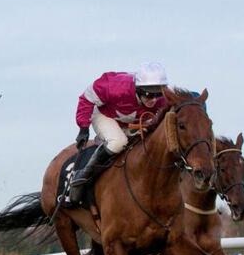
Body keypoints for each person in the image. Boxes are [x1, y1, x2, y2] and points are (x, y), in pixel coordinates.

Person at [68, 62, 169, 203]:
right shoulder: (114, 87)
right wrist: (83, 128)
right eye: (148, 95)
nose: (153, 100)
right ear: (138, 88)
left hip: (132, 121)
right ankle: (83, 176)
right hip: (104, 115)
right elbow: (86, 98)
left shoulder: (162, 99)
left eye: (157, 95)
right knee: (118, 142)